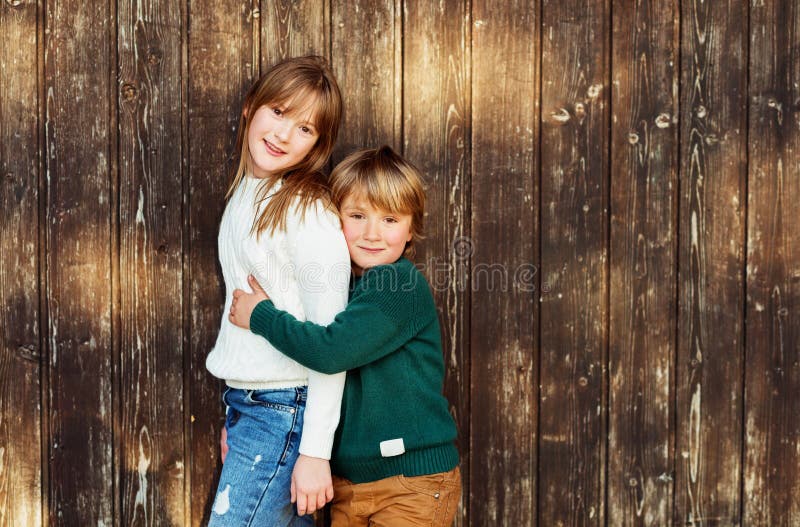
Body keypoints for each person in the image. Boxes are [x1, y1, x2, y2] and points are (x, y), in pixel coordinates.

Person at [228, 145, 462, 527]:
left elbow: (331, 351)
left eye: (390, 219)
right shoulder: (339, 289)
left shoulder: (396, 283)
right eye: (357, 215)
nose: (372, 233)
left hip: (410, 483)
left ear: (410, 230)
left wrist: (263, 317)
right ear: (334, 220)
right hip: (349, 485)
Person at [205, 55, 351, 526]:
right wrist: (236, 410)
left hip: (285, 413)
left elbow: (333, 341)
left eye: (305, 128)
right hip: (250, 409)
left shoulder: (306, 210)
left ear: (318, 145)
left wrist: (313, 452)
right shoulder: (246, 194)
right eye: (279, 112)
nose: (284, 134)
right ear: (251, 107)